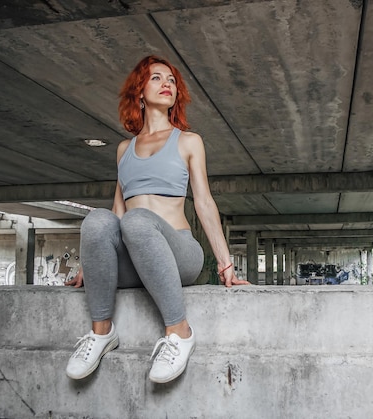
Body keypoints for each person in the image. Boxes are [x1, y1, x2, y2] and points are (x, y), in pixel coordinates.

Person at [64, 54, 250, 383]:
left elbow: (204, 201)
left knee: (138, 220)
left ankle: (180, 332)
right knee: (97, 220)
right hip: (137, 258)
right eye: (156, 78)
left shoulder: (189, 141)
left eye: (172, 81)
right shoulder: (124, 149)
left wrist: (225, 262)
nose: (167, 84)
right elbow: (117, 210)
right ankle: (102, 332)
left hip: (179, 251)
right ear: (139, 90)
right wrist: (90, 263)